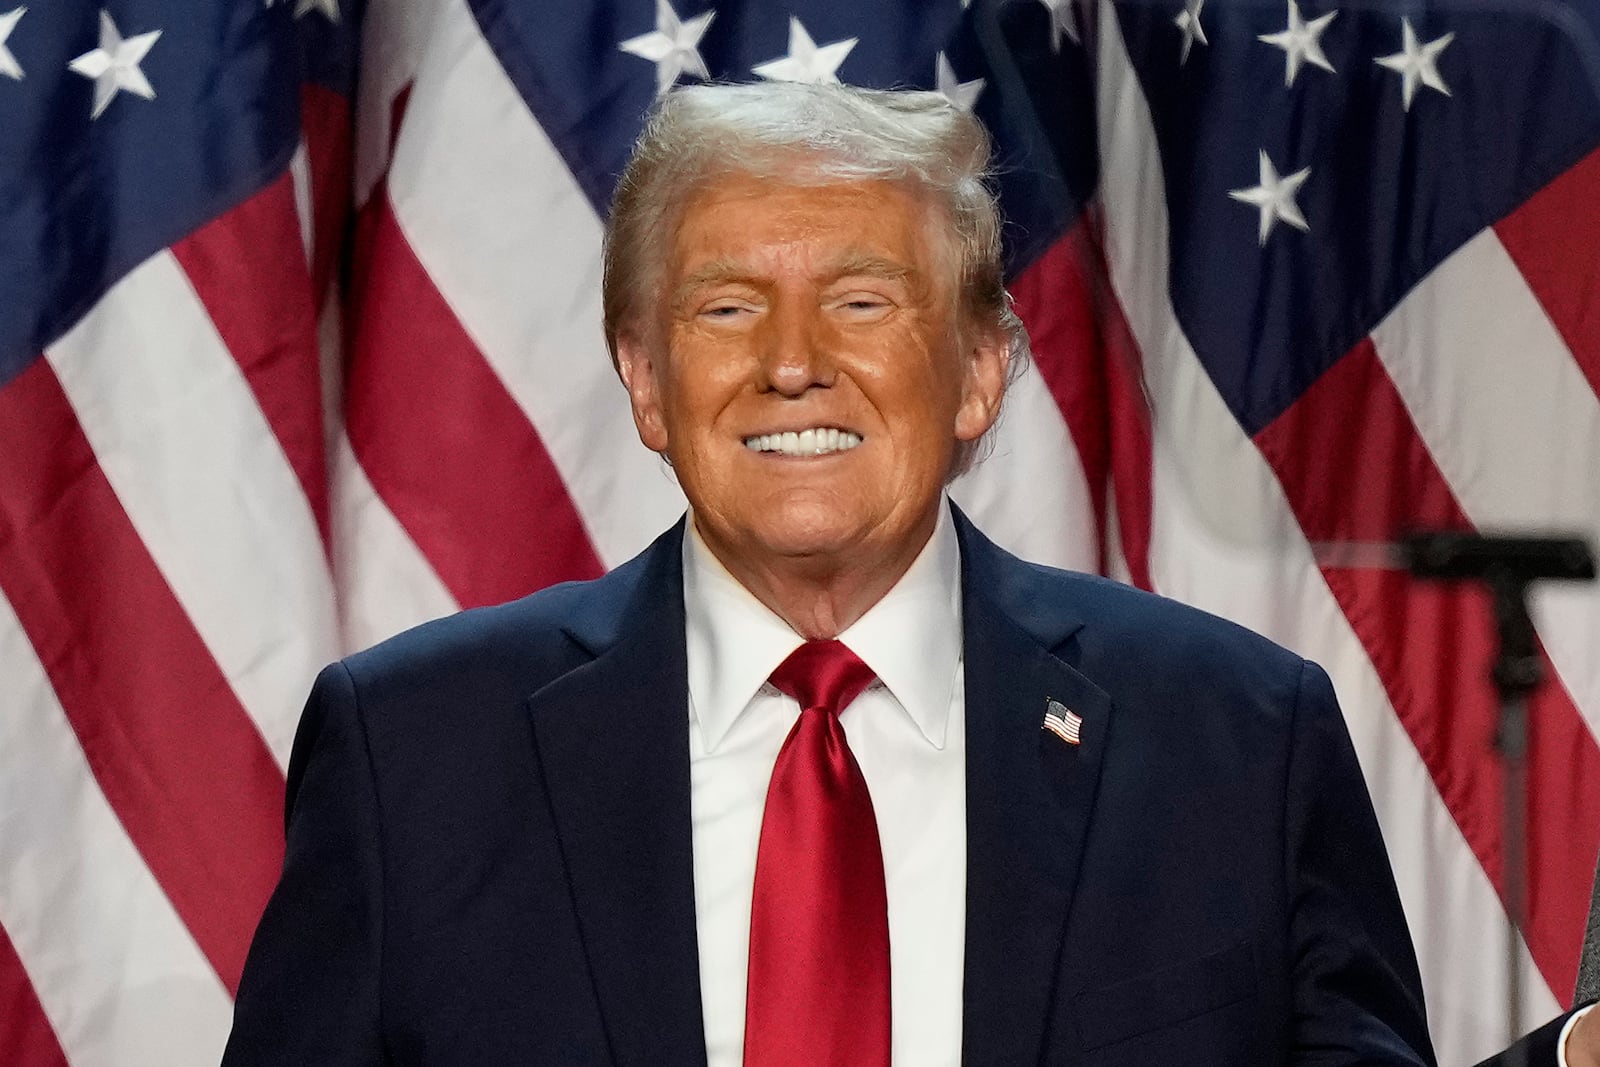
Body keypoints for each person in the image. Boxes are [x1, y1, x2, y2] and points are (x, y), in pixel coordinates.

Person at [221, 82, 1448, 1064]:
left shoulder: (1234, 737)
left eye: (862, 301)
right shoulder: (417, 748)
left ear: (977, 370)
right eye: (724, 309)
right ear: (646, 381)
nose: (792, 362)